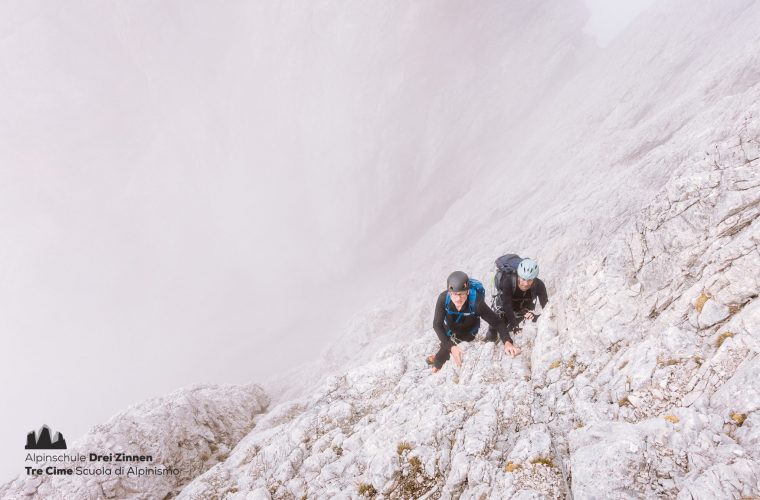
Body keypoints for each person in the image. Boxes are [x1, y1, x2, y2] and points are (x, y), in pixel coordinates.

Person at [428, 271, 521, 373]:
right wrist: (451, 347)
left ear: (467, 292)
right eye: (455, 294)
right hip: (449, 328)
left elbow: (497, 322)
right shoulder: (443, 299)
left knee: (446, 350)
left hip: (468, 333)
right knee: (447, 345)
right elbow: (437, 325)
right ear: (449, 293)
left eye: (462, 294)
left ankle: (436, 364)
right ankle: (437, 360)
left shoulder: (477, 303)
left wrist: (508, 342)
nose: (458, 299)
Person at [486, 257, 549, 341]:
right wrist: (515, 325)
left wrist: (534, 315)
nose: (526, 284)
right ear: (518, 275)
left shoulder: (539, 285)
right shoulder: (508, 281)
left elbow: (546, 307)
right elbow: (507, 305)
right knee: (495, 326)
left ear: (534, 278)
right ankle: (490, 339)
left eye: (530, 280)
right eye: (523, 279)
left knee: (509, 330)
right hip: (504, 307)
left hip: (523, 309)